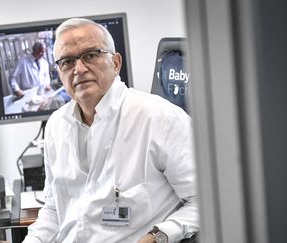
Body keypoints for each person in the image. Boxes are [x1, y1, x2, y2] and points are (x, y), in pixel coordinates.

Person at [23, 18, 199, 243]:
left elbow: (204, 201)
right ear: (59, 73)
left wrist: (159, 235)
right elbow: (53, 210)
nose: (79, 69)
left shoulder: (161, 119)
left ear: (116, 63)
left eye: (91, 55)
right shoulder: (56, 125)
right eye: (67, 61)